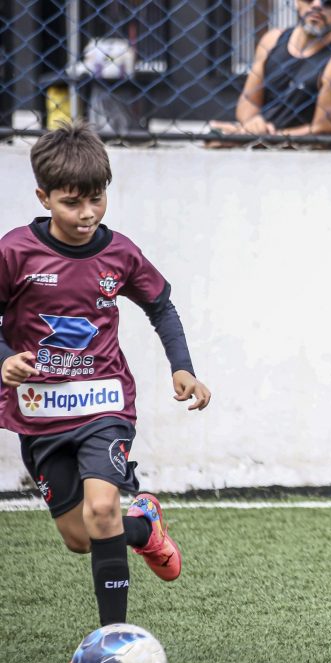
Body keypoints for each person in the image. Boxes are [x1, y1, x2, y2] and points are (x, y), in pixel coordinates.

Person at [0, 122, 212, 629]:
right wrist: (4, 357)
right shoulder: (14, 252)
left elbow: (161, 306)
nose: (88, 213)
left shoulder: (119, 253)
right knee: (81, 537)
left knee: (101, 510)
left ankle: (113, 639)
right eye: (72, 203)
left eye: (97, 199)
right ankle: (145, 528)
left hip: (103, 406)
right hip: (40, 414)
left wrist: (182, 368)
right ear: (43, 197)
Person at [208, 0, 331, 142]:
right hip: (263, 144)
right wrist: (252, 125)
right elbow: (249, 101)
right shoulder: (272, 40)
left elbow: (326, 133)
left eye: (329, 2)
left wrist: (261, 139)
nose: (317, 5)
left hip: (310, 158)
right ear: (297, 2)